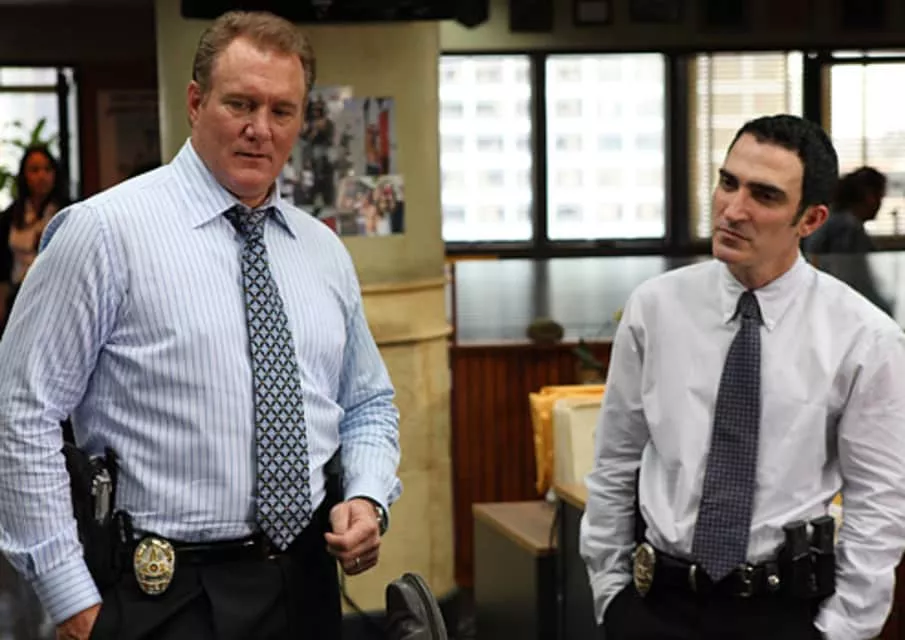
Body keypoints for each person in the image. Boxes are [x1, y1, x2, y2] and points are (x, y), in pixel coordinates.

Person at [0, 10, 400, 640]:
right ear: (195, 102)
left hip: (306, 584)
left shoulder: (322, 251)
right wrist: (70, 599)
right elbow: (21, 413)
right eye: (240, 104)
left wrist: (368, 495)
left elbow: (369, 403)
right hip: (163, 594)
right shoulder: (103, 234)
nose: (259, 129)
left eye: (282, 111)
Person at [581, 114, 905, 640]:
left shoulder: (864, 338)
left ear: (810, 219)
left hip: (783, 612)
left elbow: (878, 505)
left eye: (765, 195)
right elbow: (616, 461)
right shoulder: (655, 308)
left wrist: (839, 631)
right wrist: (612, 596)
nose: (733, 209)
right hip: (656, 605)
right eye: (728, 182)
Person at [0, 144, 70, 335]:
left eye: (47, 169)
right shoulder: (11, 215)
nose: (42, 176)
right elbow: (2, 264)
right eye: (35, 170)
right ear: (24, 175)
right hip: (18, 294)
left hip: (56, 296)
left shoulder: (68, 211)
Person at [804, 165, 886, 254]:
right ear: (869, 196)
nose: (880, 203)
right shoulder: (846, 227)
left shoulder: (830, 219)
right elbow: (844, 261)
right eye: (880, 196)